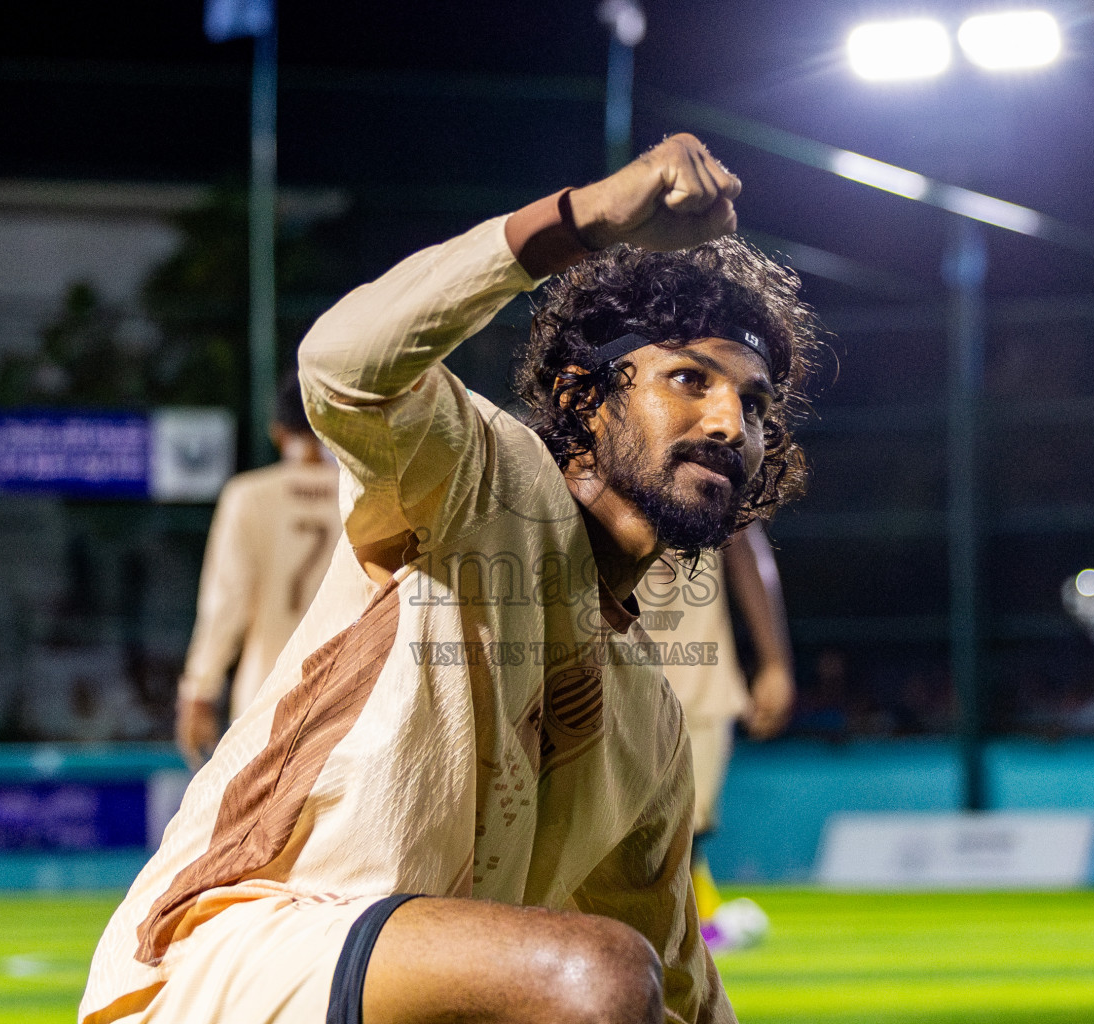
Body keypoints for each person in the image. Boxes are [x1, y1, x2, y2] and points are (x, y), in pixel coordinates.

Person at [81, 133, 823, 1024]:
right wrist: (581, 220)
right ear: (587, 398)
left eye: (754, 404)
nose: (728, 420)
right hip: (229, 963)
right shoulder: (478, 474)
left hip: (392, 992)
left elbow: (684, 989)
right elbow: (343, 367)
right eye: (688, 378)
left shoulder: (649, 722)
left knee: (628, 985)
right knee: (593, 977)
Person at [636, 523, 794, 950]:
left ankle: (693, 932)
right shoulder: (580, 463)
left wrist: (775, 663)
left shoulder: (716, 462)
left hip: (697, 680)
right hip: (605, 673)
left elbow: (746, 549)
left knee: (684, 827)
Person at [174, 375, 342, 767]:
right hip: (351, 698)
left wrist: (199, 690)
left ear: (278, 432)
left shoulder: (248, 497)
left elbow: (226, 604)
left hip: (266, 700)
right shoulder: (365, 496)